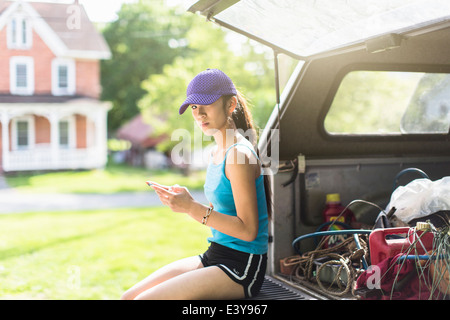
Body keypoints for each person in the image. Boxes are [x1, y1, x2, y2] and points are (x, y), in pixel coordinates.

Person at [121, 68, 271, 300]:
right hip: (216, 254)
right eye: (193, 107)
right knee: (128, 298)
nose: (199, 114)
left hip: (242, 267)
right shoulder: (216, 151)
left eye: (206, 105)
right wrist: (185, 202)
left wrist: (191, 208)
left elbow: (248, 231)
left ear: (230, 105)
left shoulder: (238, 155)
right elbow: (222, 212)